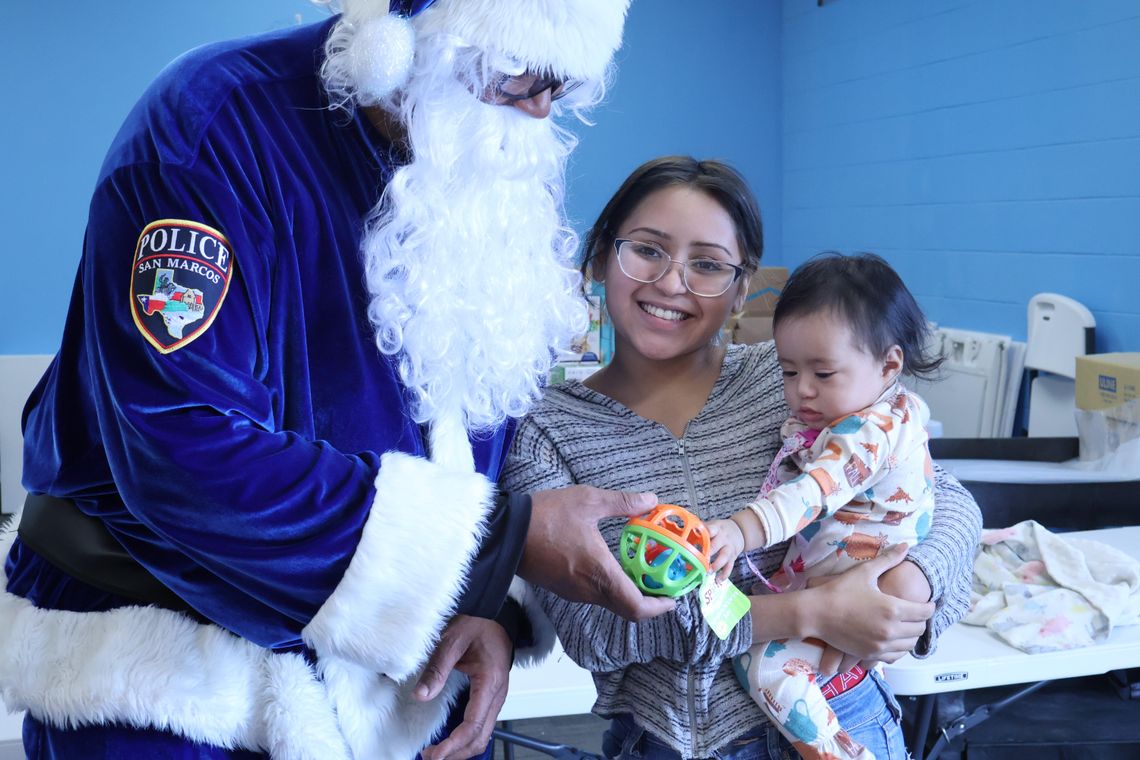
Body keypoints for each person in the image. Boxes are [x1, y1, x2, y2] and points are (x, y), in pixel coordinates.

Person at [0, 2, 677, 758]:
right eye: (522, 71)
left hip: (398, 691)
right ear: (415, 33)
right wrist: (495, 547)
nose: (543, 105)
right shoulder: (212, 127)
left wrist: (487, 605)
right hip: (174, 682)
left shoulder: (478, 148)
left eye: (564, 84)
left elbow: (481, 410)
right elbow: (178, 440)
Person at [500, 156, 982, 760]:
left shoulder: (788, 379)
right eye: (648, 250)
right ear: (601, 256)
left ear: (740, 287)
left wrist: (911, 580)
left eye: (707, 264)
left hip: (845, 713)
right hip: (668, 745)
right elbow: (596, 632)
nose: (674, 282)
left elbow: (942, 492)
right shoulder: (545, 429)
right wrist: (810, 612)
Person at [707, 252, 944, 760]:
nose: (801, 391)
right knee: (735, 626)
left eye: (823, 373)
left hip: (854, 579)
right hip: (827, 584)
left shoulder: (866, 432)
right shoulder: (887, 409)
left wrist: (738, 530)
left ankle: (836, 752)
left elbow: (810, 493)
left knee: (761, 665)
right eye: (788, 371)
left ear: (890, 364)